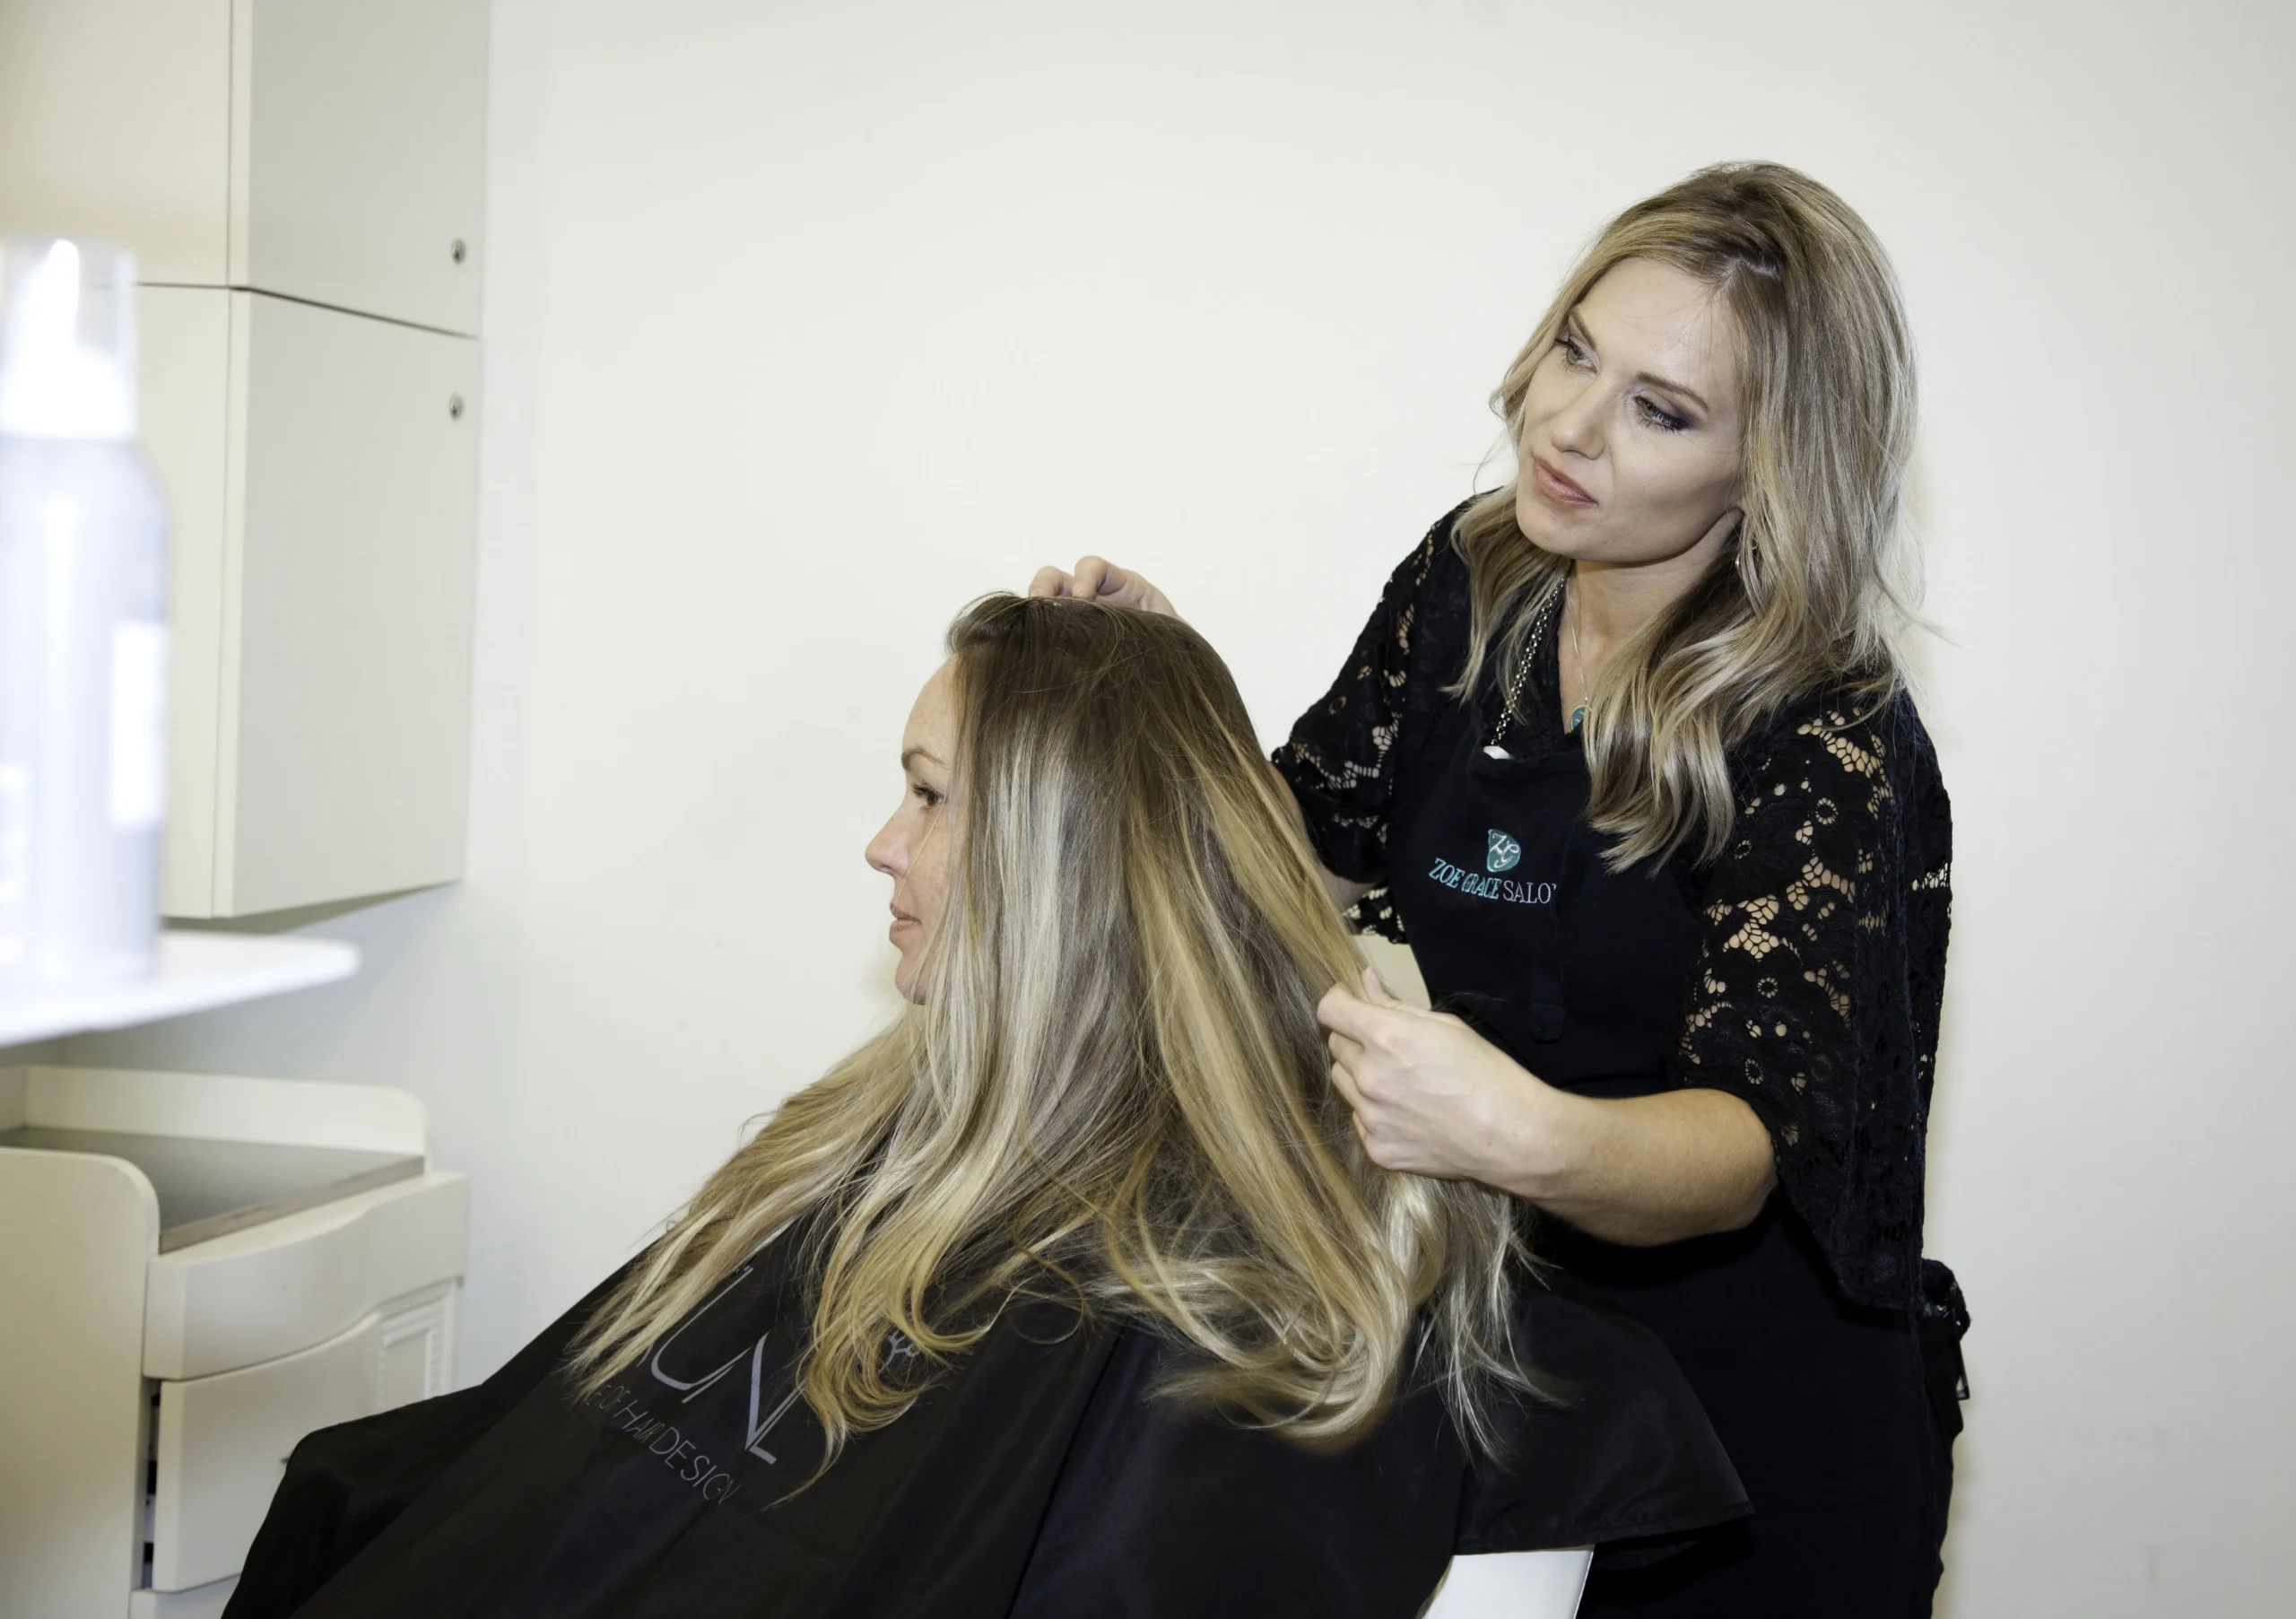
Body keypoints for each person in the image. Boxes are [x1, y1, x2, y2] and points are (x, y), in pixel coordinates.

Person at [224, 595, 1745, 1619]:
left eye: (934, 794)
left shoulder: (1216, 1292)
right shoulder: (874, 1144)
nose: (881, 844)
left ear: (1061, 854)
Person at [1031, 161, 1968, 1617]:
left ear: (1768, 466)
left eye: (1660, 410)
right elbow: (1295, 860)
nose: (1570, 424)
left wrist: (1515, 1129)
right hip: (1515, 1355)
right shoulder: (1471, 585)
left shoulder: (1827, 727)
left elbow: (1741, 1151)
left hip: (1760, 1433)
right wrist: (1165, 695)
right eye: (1577, 350)